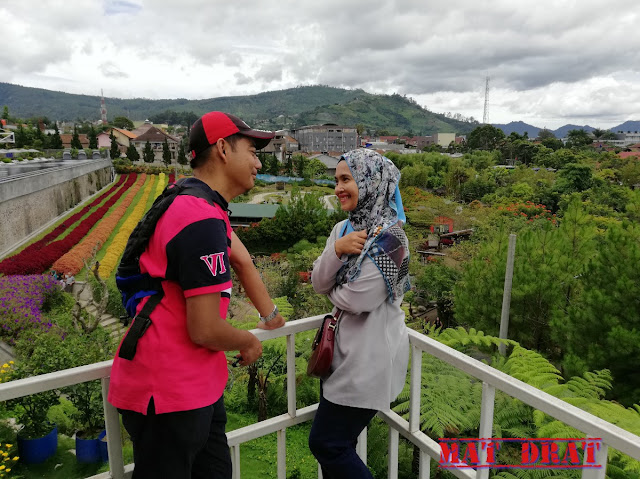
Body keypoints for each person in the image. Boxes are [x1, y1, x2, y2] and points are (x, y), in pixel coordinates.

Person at [108, 111, 285, 479]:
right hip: (168, 392)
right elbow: (204, 329)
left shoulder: (201, 206)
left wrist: (271, 317)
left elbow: (242, 260)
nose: (257, 161)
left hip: (196, 387)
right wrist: (248, 341)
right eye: (252, 150)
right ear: (222, 148)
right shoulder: (198, 217)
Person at [308, 149, 410, 478]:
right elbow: (316, 281)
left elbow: (356, 300)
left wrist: (332, 291)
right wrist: (337, 251)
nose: (338, 187)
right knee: (340, 443)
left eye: (346, 179)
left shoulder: (392, 239)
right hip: (339, 356)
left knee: (327, 444)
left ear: (370, 182)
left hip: (368, 360)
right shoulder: (343, 230)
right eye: (336, 179)